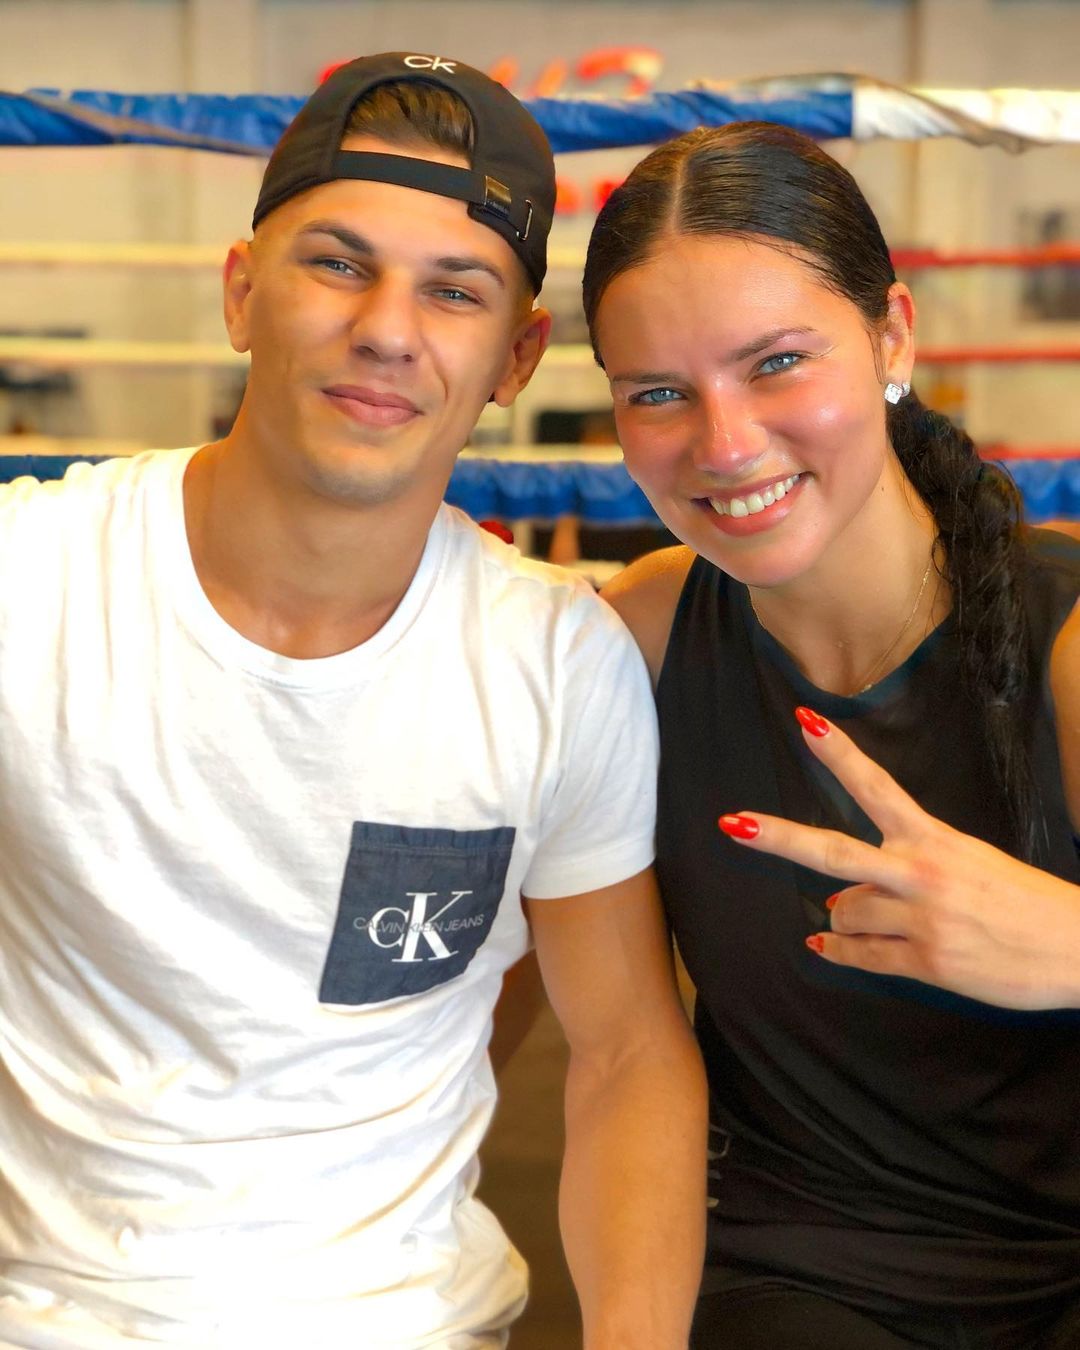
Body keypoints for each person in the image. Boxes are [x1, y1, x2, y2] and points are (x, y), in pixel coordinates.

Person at [0, 53, 707, 1350]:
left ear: (517, 355)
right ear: (240, 290)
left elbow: (624, 1053)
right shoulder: (29, 580)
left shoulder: (556, 661)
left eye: (456, 290)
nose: (388, 327)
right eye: (338, 263)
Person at [584, 121, 1080, 1348]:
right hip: (804, 1280)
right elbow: (611, 1049)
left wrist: (1068, 943)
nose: (725, 444)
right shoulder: (637, 640)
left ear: (892, 336)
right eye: (659, 393)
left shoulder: (1065, 641)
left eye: (777, 363)